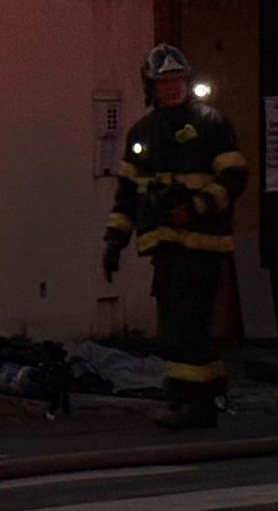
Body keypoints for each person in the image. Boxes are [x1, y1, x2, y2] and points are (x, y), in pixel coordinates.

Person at [101, 43, 248, 430]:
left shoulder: (211, 125)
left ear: (189, 81)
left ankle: (191, 404)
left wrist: (194, 208)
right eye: (163, 83)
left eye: (177, 81)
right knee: (180, 326)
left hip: (202, 244)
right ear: (151, 87)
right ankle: (204, 395)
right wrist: (114, 242)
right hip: (165, 247)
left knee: (184, 326)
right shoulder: (143, 132)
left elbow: (234, 178)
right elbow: (127, 195)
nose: (171, 89)